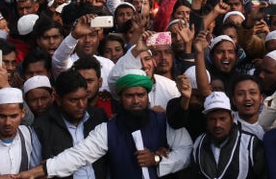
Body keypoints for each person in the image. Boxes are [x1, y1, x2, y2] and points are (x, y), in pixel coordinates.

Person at [15, 70, 193, 179]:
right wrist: (38, 171)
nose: (136, 101)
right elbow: (79, 155)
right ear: (120, 98)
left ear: (148, 96)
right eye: (129, 96)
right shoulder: (108, 129)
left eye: (141, 95)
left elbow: (186, 152)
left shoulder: (163, 121)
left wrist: (157, 160)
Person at [190, 92, 265, 179]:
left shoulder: (251, 144)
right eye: (212, 119)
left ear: (232, 118)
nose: (217, 124)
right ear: (206, 121)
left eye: (222, 119)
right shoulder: (199, 143)